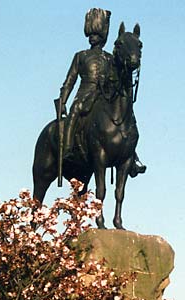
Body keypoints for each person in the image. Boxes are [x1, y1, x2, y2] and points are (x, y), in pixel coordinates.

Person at [59, 8, 145, 177]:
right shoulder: (80, 56)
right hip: (84, 93)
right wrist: (63, 100)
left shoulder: (110, 58)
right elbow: (70, 80)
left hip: (105, 95)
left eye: (97, 35)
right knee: (74, 112)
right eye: (91, 35)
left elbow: (117, 76)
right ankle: (67, 150)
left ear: (103, 37)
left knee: (125, 117)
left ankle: (132, 156)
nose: (93, 38)